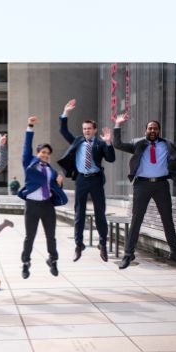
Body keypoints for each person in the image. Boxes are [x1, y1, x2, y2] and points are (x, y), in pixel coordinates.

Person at [112, 114, 176, 269]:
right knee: (136, 220)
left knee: (168, 220)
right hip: (142, 185)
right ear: (145, 130)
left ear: (159, 130)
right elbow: (118, 144)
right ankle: (128, 255)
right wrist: (117, 125)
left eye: (155, 128)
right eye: (150, 128)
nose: (152, 130)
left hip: (161, 185)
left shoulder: (167, 144)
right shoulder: (137, 143)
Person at [57, 99, 116, 262]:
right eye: (84, 129)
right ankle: (78, 244)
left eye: (89, 129)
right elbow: (63, 131)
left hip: (96, 180)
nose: (86, 131)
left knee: (100, 213)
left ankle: (103, 244)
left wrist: (109, 143)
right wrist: (65, 113)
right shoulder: (77, 141)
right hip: (81, 180)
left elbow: (111, 159)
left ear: (95, 130)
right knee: (79, 213)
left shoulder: (101, 143)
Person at [17, 116, 69, 278]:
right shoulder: (29, 163)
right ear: (38, 153)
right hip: (32, 205)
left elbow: (53, 184)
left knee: (51, 236)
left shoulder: (51, 170)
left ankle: (53, 260)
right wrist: (30, 126)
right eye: (43, 152)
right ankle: (26, 263)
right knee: (29, 237)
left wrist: (59, 181)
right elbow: (27, 147)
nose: (46, 155)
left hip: (47, 205)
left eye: (48, 153)